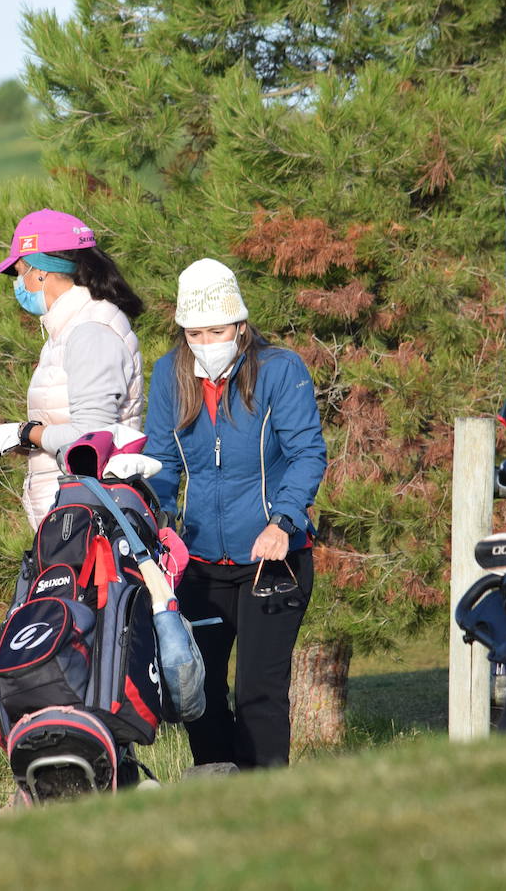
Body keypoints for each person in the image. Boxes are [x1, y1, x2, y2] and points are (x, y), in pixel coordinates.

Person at [142, 258, 328, 770]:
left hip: (273, 558)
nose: (206, 342)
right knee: (195, 689)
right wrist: (156, 520)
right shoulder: (169, 373)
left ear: (241, 326)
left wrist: (283, 521)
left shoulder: (279, 369)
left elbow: (307, 453)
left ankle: (265, 802)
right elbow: (159, 460)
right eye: (195, 333)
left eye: (217, 330)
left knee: (259, 693)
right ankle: (218, 792)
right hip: (197, 561)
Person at [0, 209, 145, 528]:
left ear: (41, 271)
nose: (19, 283)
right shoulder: (69, 329)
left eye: (19, 272)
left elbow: (92, 438)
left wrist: (20, 432)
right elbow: (66, 426)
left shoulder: (91, 331)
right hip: (73, 520)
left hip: (90, 522)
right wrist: (14, 439)